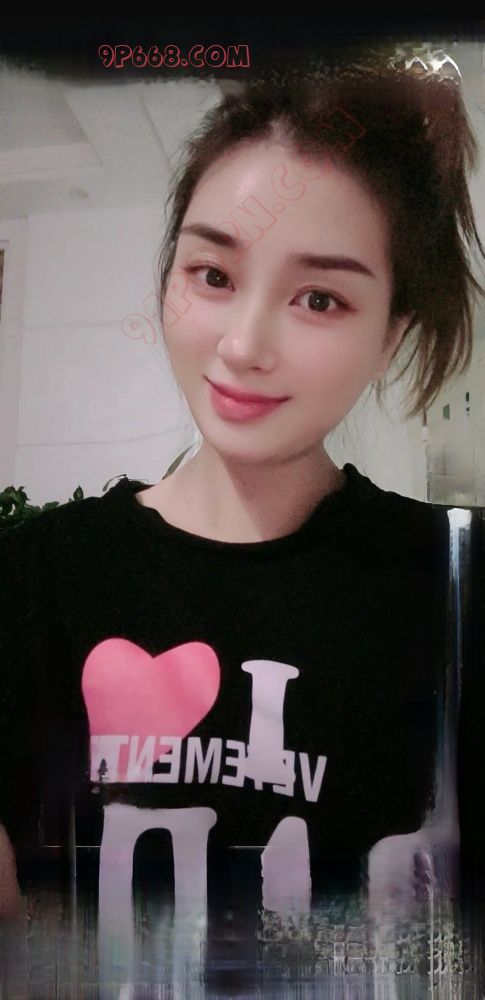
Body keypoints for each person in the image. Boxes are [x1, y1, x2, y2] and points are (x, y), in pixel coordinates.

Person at [1, 60, 485, 986]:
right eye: (213, 273)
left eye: (319, 298)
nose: (242, 345)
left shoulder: (453, 584)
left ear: (389, 333)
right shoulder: (31, 581)